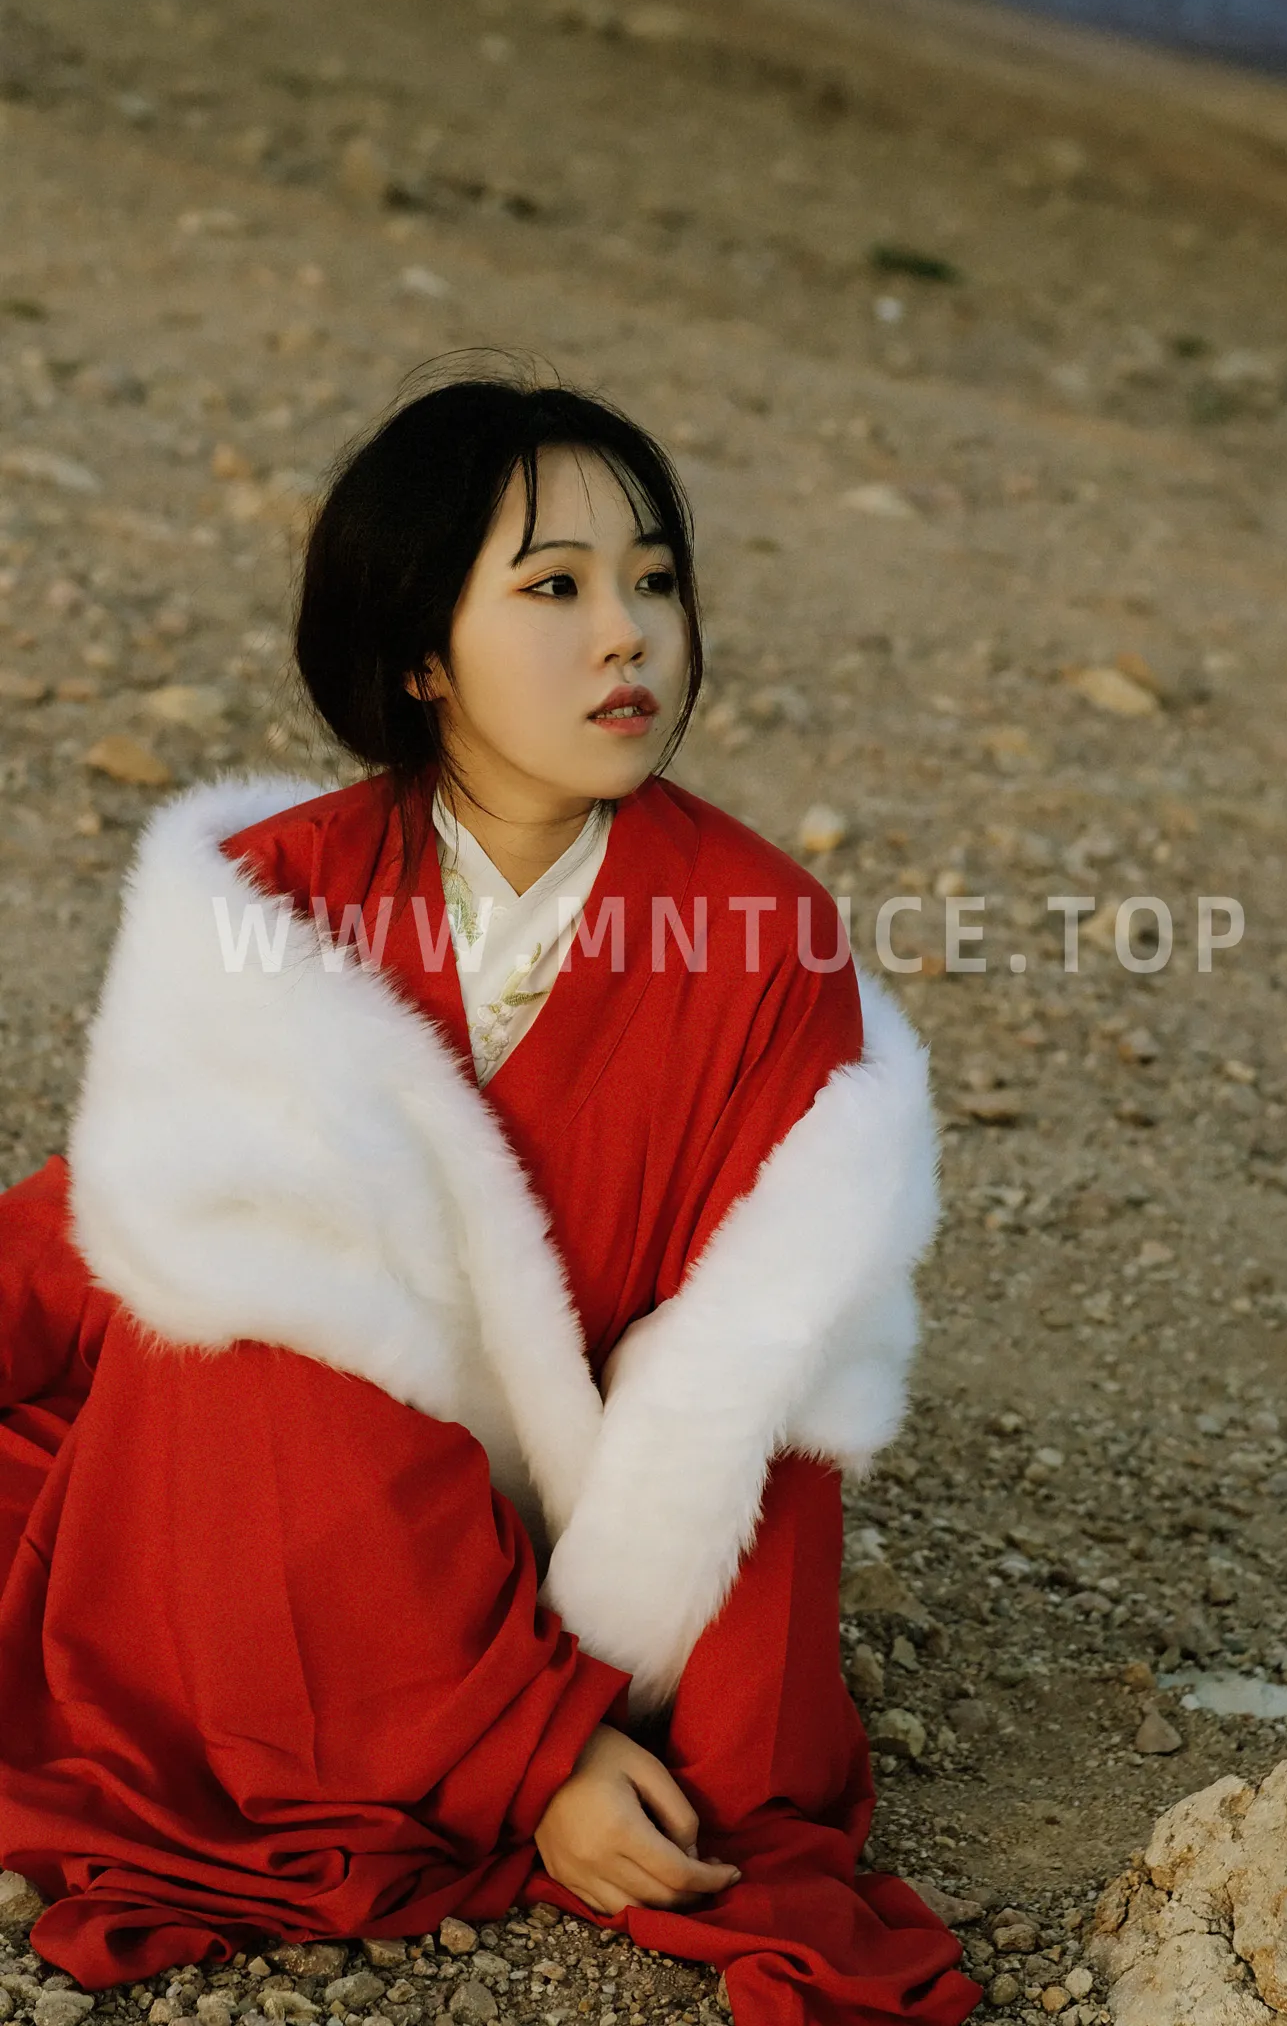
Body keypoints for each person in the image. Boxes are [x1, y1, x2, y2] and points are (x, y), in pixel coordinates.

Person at [0, 375, 981, 2025]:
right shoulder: (271, 893)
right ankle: (459, 1732)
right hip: (281, 1490)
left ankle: (472, 1714)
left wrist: (725, 1768)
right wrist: (541, 1760)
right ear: (421, 655)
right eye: (554, 587)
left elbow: (758, 1368)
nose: (628, 635)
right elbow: (137, 1229)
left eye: (654, 580)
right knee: (235, 1325)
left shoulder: (766, 937)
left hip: (559, 1533)